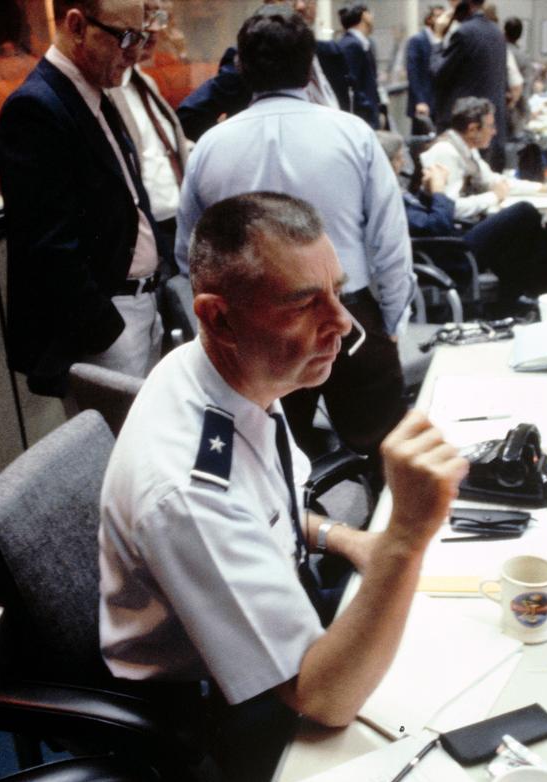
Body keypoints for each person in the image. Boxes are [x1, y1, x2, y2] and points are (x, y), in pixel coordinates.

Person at [99, 191, 467, 782]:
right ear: (217, 318)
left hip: (275, 617)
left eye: (337, 291)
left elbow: (277, 500)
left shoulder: (231, 375)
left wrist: (349, 539)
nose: (343, 322)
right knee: (425, 762)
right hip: (212, 704)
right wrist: (405, 537)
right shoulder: (185, 490)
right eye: (303, 303)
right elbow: (323, 698)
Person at [176, 4, 413, 459]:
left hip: (256, 331)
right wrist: (392, 321)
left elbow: (191, 256)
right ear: (310, 69)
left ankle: (301, 531)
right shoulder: (354, 135)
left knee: (272, 467)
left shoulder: (209, 148)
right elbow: (391, 242)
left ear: (241, 68)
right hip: (350, 317)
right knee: (386, 458)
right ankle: (389, 527)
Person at [0, 0, 166, 400]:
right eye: (125, 37)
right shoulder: (35, 108)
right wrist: (105, 330)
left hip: (143, 306)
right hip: (109, 326)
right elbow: (48, 245)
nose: (135, 52)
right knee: (117, 456)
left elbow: (128, 197)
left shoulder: (95, 90)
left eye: (140, 37)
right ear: (76, 25)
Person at [381, 130, 547, 309]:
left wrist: (426, 192)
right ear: (390, 163)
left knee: (513, 234)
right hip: (449, 254)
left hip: (449, 243)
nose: (403, 163)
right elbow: (435, 225)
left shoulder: (393, 188)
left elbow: (423, 217)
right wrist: (439, 191)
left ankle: (512, 299)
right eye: (400, 158)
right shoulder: (387, 197)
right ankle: (536, 294)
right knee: (524, 212)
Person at [174, 0, 367, 140]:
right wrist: (231, 143)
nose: (301, 6)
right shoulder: (250, 54)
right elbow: (190, 116)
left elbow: (353, 104)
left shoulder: (331, 52)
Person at [105, 2, 189, 254]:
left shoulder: (146, 81)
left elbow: (161, 149)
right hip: (144, 236)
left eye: (160, 16)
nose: (153, 28)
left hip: (179, 225)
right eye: (145, 16)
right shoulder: (105, 89)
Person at [433, 0, 509, 170]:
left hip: (465, 129)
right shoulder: (496, 32)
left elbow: (437, 72)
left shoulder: (463, 33)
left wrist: (438, 37)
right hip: (489, 124)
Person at [337, 4, 380, 127]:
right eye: (369, 13)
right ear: (364, 16)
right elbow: (351, 83)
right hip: (362, 116)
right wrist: (367, 107)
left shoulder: (359, 43)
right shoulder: (351, 45)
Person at [405, 5, 445, 124]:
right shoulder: (417, 40)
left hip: (439, 103)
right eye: (438, 16)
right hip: (423, 103)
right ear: (429, 19)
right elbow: (413, 73)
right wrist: (420, 101)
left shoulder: (443, 40)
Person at [505, 17, 532, 137]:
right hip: (515, 109)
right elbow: (525, 88)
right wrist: (526, 114)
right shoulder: (523, 56)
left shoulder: (497, 50)